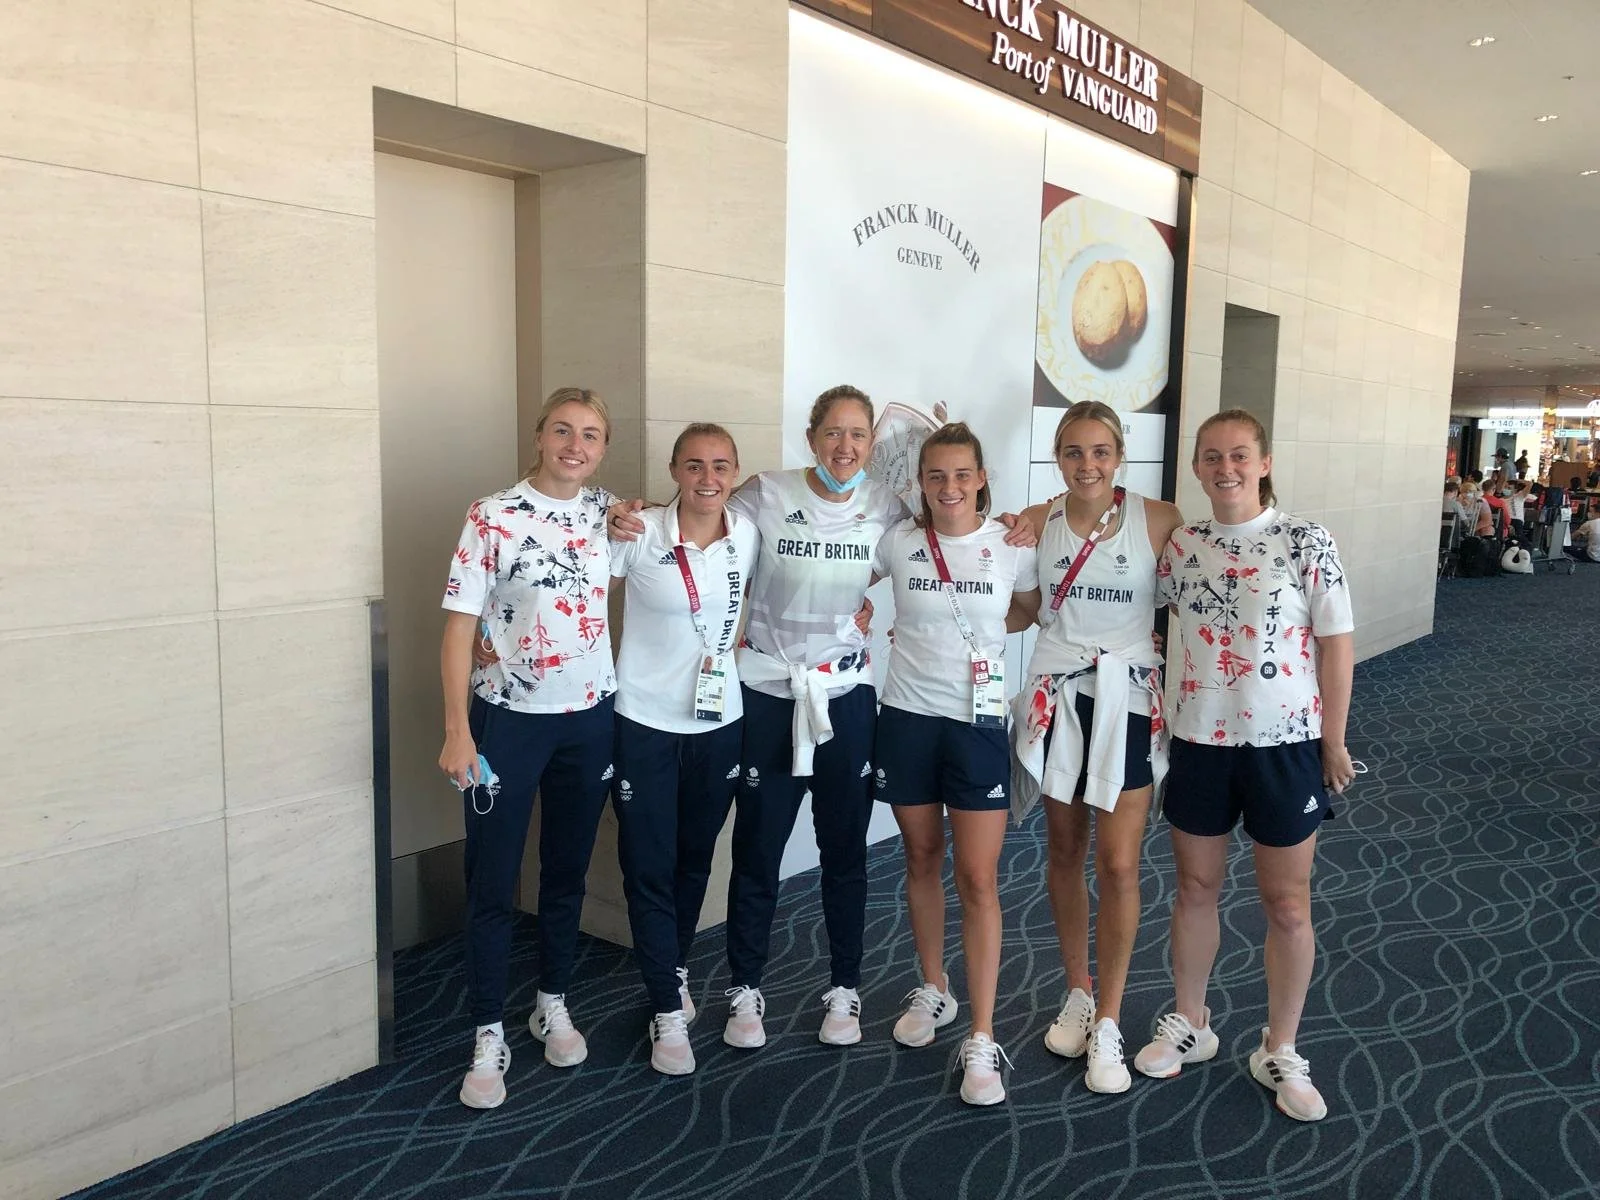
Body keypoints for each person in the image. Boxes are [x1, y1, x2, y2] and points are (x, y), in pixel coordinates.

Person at [1137, 408, 1355, 1124]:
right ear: (1196, 468)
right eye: (1210, 457)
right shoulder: (1181, 545)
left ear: (1263, 462)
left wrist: (1333, 739)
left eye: (1238, 455)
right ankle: (1191, 1022)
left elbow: (1335, 646)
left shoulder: (1304, 540)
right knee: (1195, 889)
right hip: (1200, 741)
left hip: (1284, 745)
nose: (1224, 468)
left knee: (1287, 904)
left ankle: (1281, 1047)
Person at [440, 387, 619, 1110]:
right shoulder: (492, 516)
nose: (576, 445)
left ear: (604, 447)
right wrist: (457, 728)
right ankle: (488, 1030)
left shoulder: (614, 514)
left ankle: (552, 998)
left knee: (567, 871)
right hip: (506, 722)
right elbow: (458, 627)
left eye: (591, 435)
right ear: (539, 436)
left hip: (589, 718)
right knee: (492, 877)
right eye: (563, 431)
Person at [1010, 400, 1183, 1094]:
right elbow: (1024, 607)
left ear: (1120, 454)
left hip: (1128, 704)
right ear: (1059, 458)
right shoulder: (1037, 523)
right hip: (1057, 698)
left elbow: (1196, 588)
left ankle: (1109, 1018)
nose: (1088, 465)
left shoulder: (1159, 519)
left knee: (1116, 864)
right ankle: (1077, 993)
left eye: (1100, 451)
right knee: (1063, 852)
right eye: (1074, 452)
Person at [872, 423, 1040, 1105]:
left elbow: (1029, 608)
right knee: (920, 858)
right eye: (935, 475)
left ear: (980, 478)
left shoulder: (1009, 545)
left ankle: (981, 1033)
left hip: (976, 726)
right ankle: (934, 987)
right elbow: (844, 577)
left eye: (961, 474)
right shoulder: (900, 541)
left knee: (977, 877)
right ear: (920, 482)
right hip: (906, 719)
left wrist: (984, 635)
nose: (948, 487)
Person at [607, 423, 759, 1075]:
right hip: (642, 722)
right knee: (647, 863)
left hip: (719, 723)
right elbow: (576, 589)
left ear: (734, 473)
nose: (707, 477)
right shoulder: (639, 533)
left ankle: (672, 971)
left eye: (720, 466)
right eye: (694, 465)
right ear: (673, 469)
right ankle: (667, 1007)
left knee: (695, 860)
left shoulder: (747, 535)